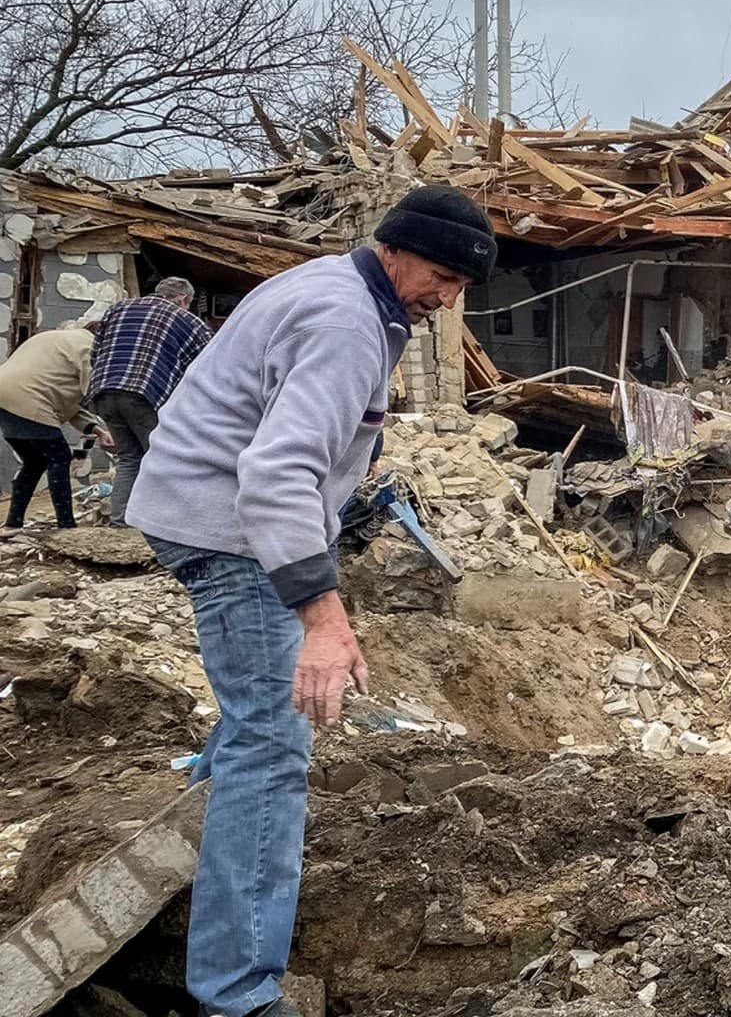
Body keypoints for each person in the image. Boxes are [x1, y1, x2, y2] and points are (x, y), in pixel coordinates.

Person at [128, 186, 494, 1017]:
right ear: (395, 249)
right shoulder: (344, 321)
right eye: (441, 275)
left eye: (463, 286)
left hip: (200, 508)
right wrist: (323, 619)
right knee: (272, 743)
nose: (449, 298)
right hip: (227, 528)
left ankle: (203, 844)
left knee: (255, 710)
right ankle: (240, 994)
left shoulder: (335, 288)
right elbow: (277, 472)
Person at [87, 276, 213, 526]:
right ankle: (168, 524)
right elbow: (209, 365)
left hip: (104, 392)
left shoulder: (118, 308)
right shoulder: (188, 321)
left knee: (129, 458)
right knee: (163, 459)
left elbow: (95, 353)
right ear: (184, 299)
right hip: (145, 395)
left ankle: (121, 522)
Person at [0, 322, 109, 529]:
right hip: (30, 397)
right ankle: (66, 524)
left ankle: (13, 522)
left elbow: (69, 404)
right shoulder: (89, 346)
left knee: (34, 462)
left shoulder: (57, 340)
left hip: (4, 396)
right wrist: (116, 422)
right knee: (59, 457)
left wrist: (99, 431)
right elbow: (92, 392)